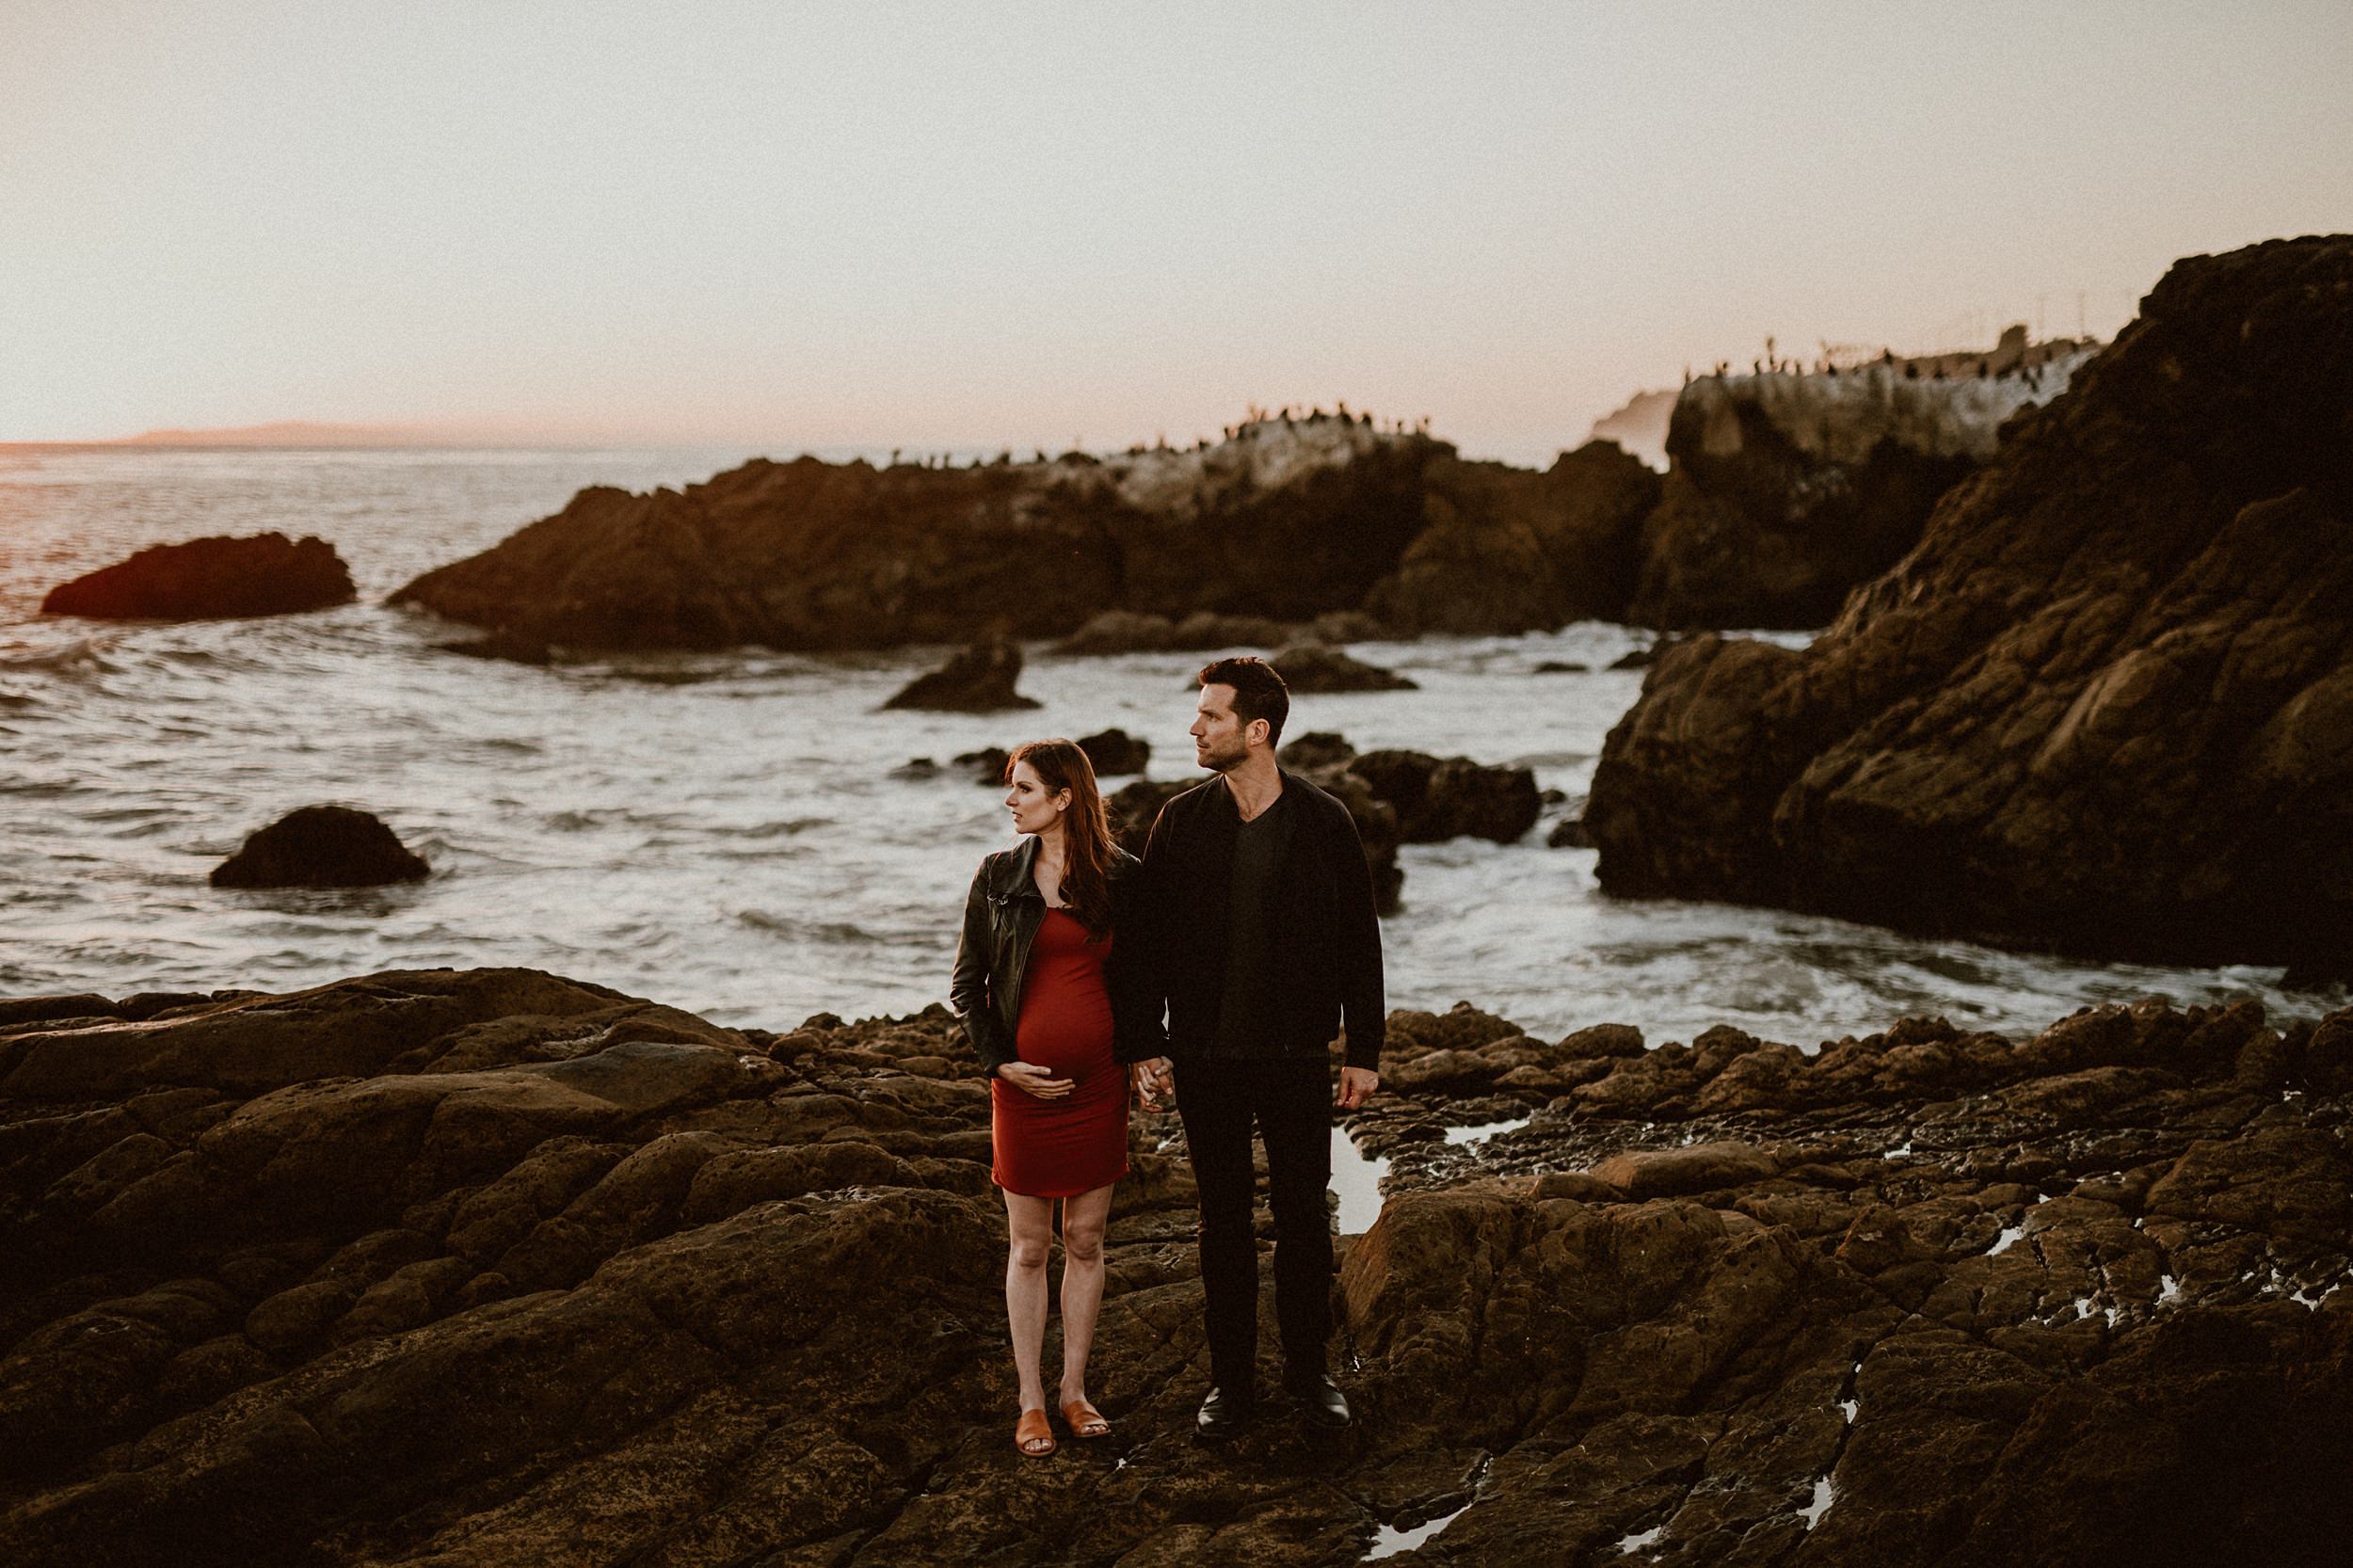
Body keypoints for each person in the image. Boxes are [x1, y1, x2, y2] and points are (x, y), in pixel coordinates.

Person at [1128, 656, 1385, 1438]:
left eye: (1211, 715)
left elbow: (1358, 942)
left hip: (1296, 1056)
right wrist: (1145, 1041)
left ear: (1257, 730)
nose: (1195, 726)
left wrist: (1363, 1051)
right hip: (1205, 1057)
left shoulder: (1324, 820)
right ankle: (1231, 1385)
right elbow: (1145, 943)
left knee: (1306, 1217)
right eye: (1199, 713)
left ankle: (1310, 1376)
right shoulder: (1181, 820)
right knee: (1223, 1224)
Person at [950, 739, 1163, 1458]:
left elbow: (1139, 983)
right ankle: (1030, 1400)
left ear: (1065, 797)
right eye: (1012, 789)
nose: (1010, 800)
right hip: (1020, 1090)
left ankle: (1074, 1390)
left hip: (1098, 1084)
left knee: (1086, 1240)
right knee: (1030, 1245)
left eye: (1025, 789)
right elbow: (967, 986)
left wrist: (1141, 1058)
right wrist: (1001, 1063)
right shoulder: (996, 877)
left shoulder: (1123, 879)